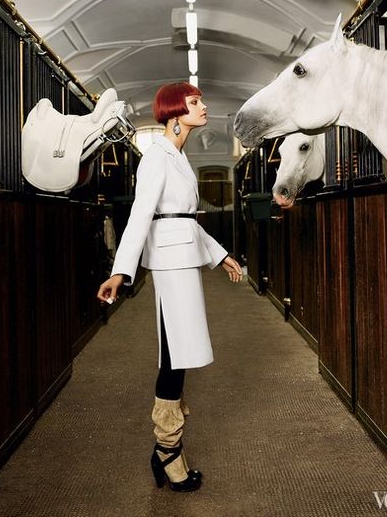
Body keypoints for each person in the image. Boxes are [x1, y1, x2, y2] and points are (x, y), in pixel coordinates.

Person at [96, 82, 243, 493]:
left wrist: (220, 254)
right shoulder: (155, 157)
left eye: (200, 100)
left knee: (180, 354)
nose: (204, 106)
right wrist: (120, 272)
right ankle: (168, 451)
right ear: (175, 113)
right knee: (174, 357)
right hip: (169, 264)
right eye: (195, 102)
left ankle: (167, 449)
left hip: (183, 259)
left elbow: (183, 218)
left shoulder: (176, 155)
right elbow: (142, 216)